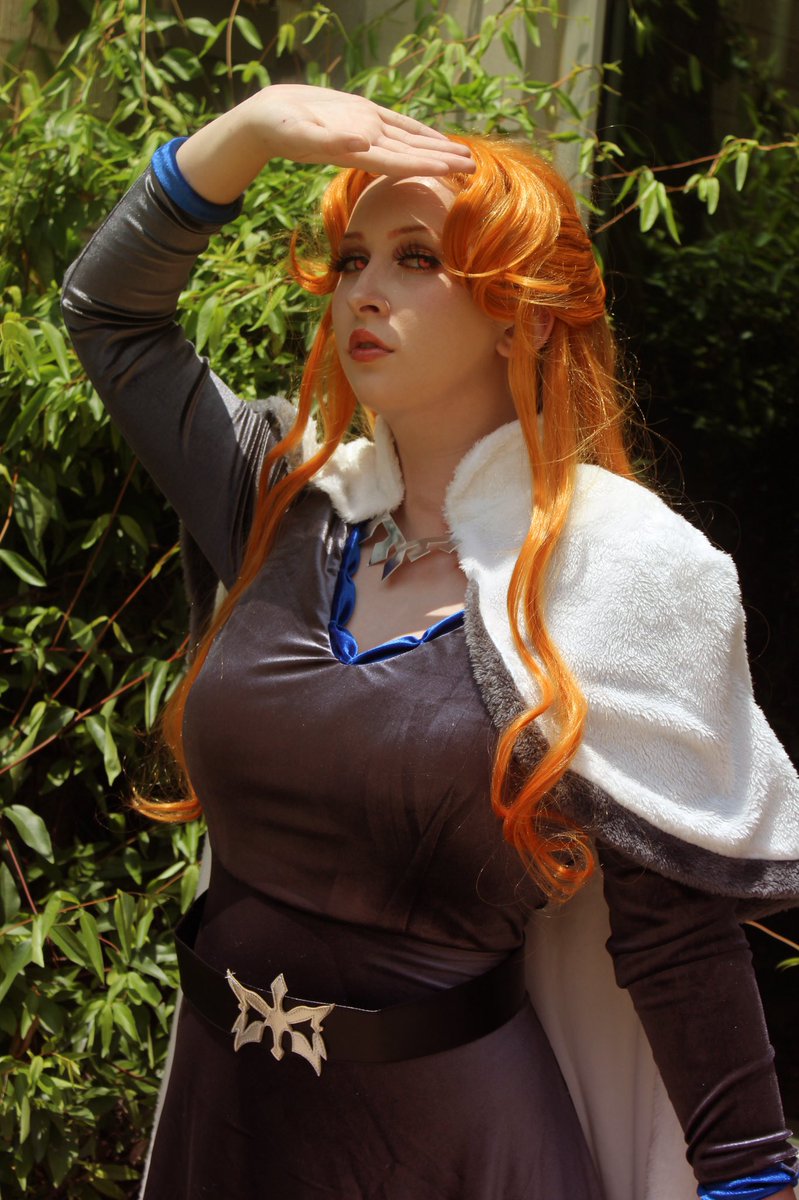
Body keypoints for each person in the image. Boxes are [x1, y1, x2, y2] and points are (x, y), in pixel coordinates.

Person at [61, 84, 799, 1200]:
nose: (363, 290)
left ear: (519, 313)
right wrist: (251, 129)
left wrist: (748, 1181)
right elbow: (110, 315)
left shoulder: (618, 571)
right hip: (227, 1120)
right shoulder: (281, 502)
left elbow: (676, 941)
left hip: (453, 1147)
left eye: (416, 259)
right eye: (352, 259)